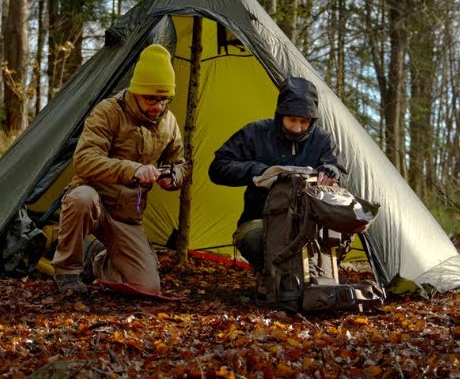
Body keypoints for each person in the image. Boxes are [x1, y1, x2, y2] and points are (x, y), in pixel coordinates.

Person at [51, 44, 188, 294]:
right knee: (81, 199)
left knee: (146, 287)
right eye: (151, 98)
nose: (158, 106)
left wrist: (173, 176)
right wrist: (131, 170)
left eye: (164, 99)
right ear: (136, 92)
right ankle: (67, 271)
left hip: (126, 216)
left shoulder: (169, 123)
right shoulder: (108, 111)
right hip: (94, 199)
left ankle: (97, 260)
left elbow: (180, 164)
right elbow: (83, 160)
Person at [208, 76, 346, 269]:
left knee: (341, 232)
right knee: (256, 240)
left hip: (310, 224)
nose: (298, 128)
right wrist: (257, 172)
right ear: (280, 114)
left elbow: (341, 173)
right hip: (260, 220)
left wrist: (333, 172)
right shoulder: (256, 133)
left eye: (304, 122)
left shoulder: (322, 140)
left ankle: (314, 282)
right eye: (292, 120)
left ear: (313, 120)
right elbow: (217, 167)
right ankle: (269, 280)